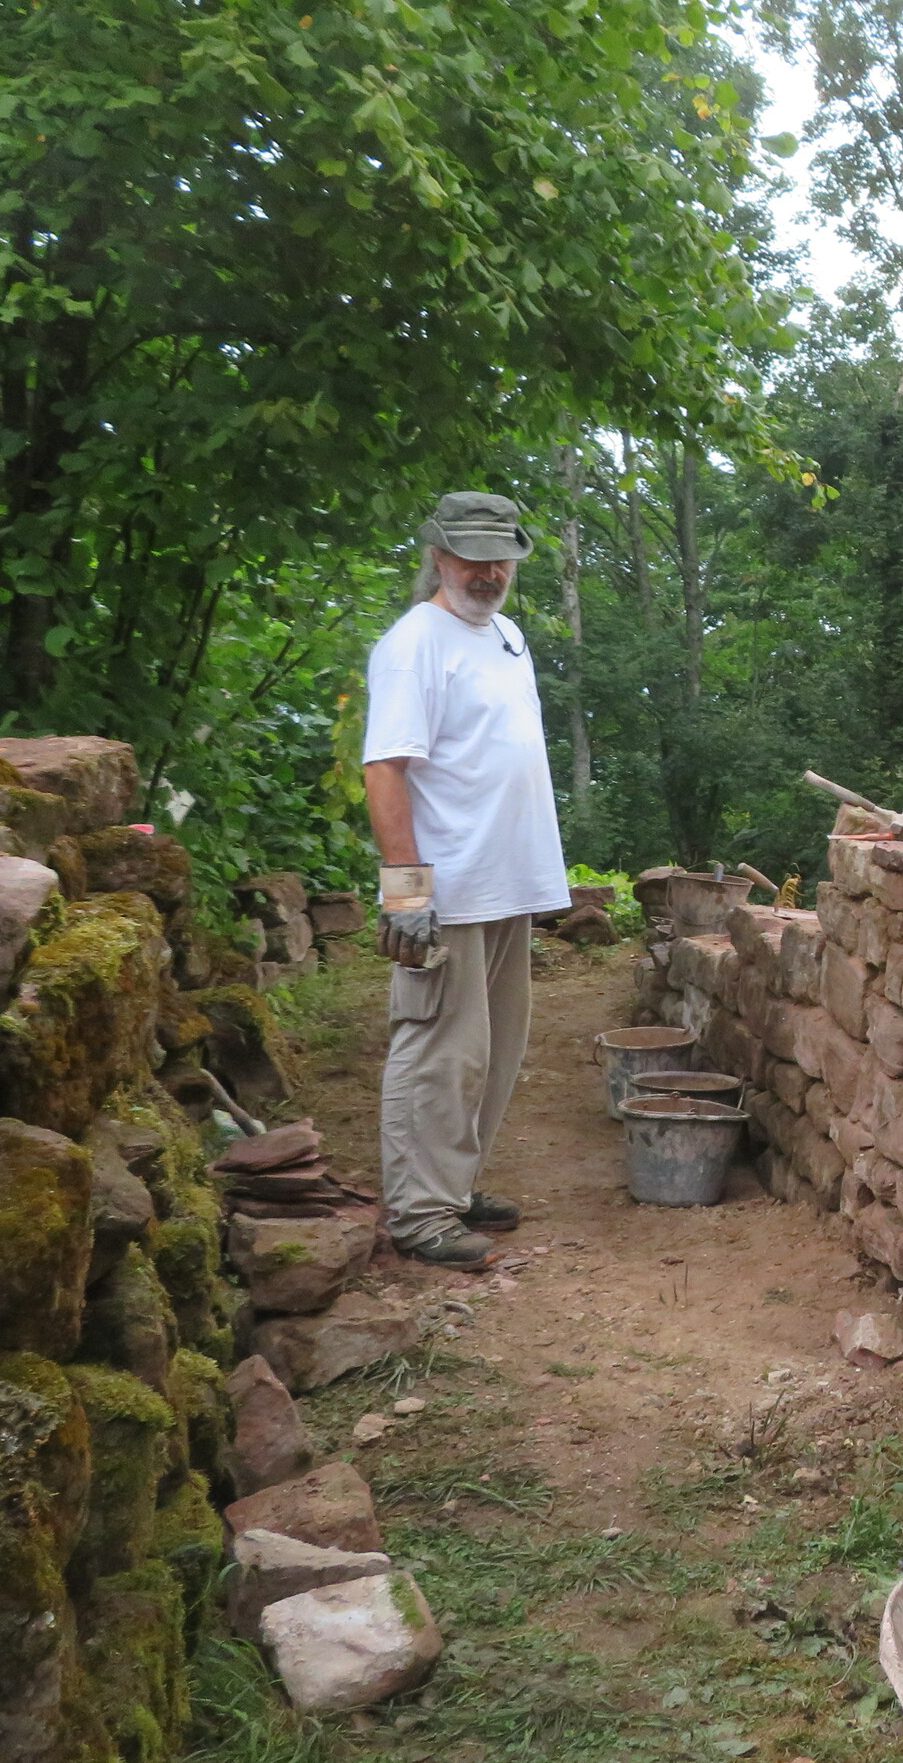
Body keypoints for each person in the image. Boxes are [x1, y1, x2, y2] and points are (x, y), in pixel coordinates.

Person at [361, 491, 571, 1268]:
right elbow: (385, 769)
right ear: (439, 557)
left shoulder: (506, 637)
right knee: (440, 1050)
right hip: (445, 890)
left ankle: (454, 1184)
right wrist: (406, 892)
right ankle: (420, 1214)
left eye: (500, 558)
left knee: (494, 1050)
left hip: (506, 882)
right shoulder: (414, 643)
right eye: (471, 558)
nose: (488, 572)